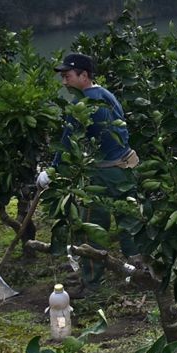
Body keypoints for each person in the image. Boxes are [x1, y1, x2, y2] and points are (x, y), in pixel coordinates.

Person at [40, 52, 138, 286]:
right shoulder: (106, 94)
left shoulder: (82, 104)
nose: (65, 82)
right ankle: (139, 274)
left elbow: (66, 143)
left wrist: (50, 172)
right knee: (130, 221)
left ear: (84, 75)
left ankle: (91, 281)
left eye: (68, 76)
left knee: (91, 227)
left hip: (104, 174)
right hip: (124, 168)